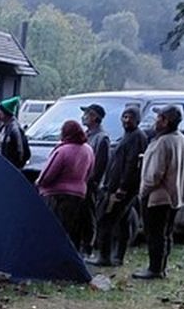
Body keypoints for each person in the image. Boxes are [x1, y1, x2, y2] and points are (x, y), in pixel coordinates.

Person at [133, 104, 184, 280]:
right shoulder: (182, 139)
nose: (155, 120)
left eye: (159, 117)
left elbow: (155, 174)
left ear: (166, 122)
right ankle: (161, 267)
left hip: (158, 197)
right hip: (175, 196)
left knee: (155, 234)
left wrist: (143, 191)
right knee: (166, 233)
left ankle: (154, 269)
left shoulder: (163, 142)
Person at [88, 105, 149, 267]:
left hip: (122, 190)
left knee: (105, 219)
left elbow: (132, 165)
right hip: (116, 187)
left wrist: (122, 187)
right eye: (124, 117)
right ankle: (117, 256)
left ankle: (105, 256)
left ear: (137, 120)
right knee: (123, 221)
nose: (126, 120)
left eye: (130, 117)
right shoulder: (127, 136)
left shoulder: (137, 137)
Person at [35, 119, 95, 239]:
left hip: (57, 195)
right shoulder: (88, 150)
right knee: (71, 229)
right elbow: (90, 171)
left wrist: (38, 183)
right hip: (79, 193)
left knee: (54, 228)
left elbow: (48, 174)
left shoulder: (63, 151)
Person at [80, 103, 111, 252]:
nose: (84, 117)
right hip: (81, 183)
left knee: (89, 216)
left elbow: (100, 164)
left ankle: (89, 246)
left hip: (91, 185)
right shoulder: (87, 135)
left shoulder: (102, 138)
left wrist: (91, 182)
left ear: (94, 117)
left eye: (87, 114)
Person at [0, 96, 30, 169]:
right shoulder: (3, 128)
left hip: (9, 169)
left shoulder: (15, 129)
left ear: (5, 113)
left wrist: (15, 167)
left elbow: (23, 152)